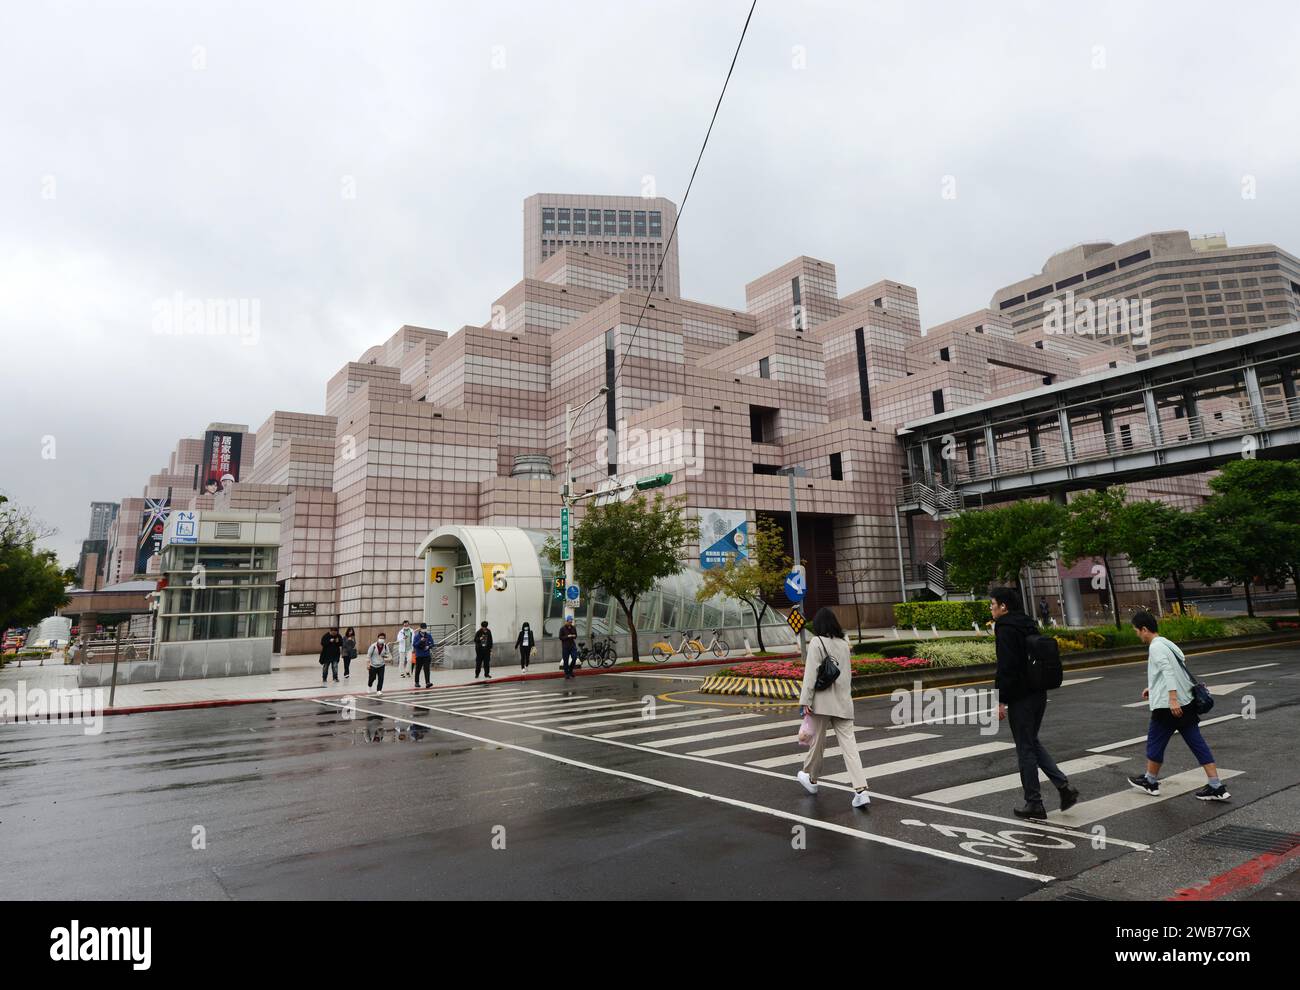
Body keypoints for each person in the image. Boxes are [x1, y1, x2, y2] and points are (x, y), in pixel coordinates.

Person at [992, 587, 1079, 819]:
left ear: (1003, 606)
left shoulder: (1005, 627)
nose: (991, 608)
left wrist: (1000, 699)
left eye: (993, 604)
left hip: (1021, 697)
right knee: (1030, 741)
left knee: (1025, 749)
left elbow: (1006, 666)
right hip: (1038, 692)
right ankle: (1064, 787)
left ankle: (1034, 803)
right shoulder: (1028, 623)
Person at [1128, 611, 1230, 801]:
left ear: (1144, 629)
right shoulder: (1167, 643)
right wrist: (1153, 687)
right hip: (1187, 703)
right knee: (1197, 743)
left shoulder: (1155, 647)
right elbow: (1176, 668)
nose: (1137, 634)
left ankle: (1150, 781)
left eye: (1136, 631)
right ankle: (1217, 786)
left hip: (1169, 707)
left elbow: (1168, 671)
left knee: (1155, 742)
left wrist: (1172, 698)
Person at [796, 608, 871, 809]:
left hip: (822, 702)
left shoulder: (816, 643)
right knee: (850, 747)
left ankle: (811, 778)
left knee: (817, 742)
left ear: (818, 625)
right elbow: (846, 676)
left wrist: (806, 700)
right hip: (844, 702)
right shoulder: (844, 644)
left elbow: (810, 674)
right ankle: (861, 789)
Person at [412, 622, 435, 688]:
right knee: (418, 669)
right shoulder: (417, 636)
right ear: (420, 628)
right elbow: (414, 645)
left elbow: (433, 644)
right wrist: (420, 641)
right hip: (419, 655)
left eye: (425, 628)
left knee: (427, 669)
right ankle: (416, 682)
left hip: (427, 655)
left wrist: (429, 646)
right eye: (423, 628)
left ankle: (427, 682)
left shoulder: (428, 635)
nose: (424, 629)